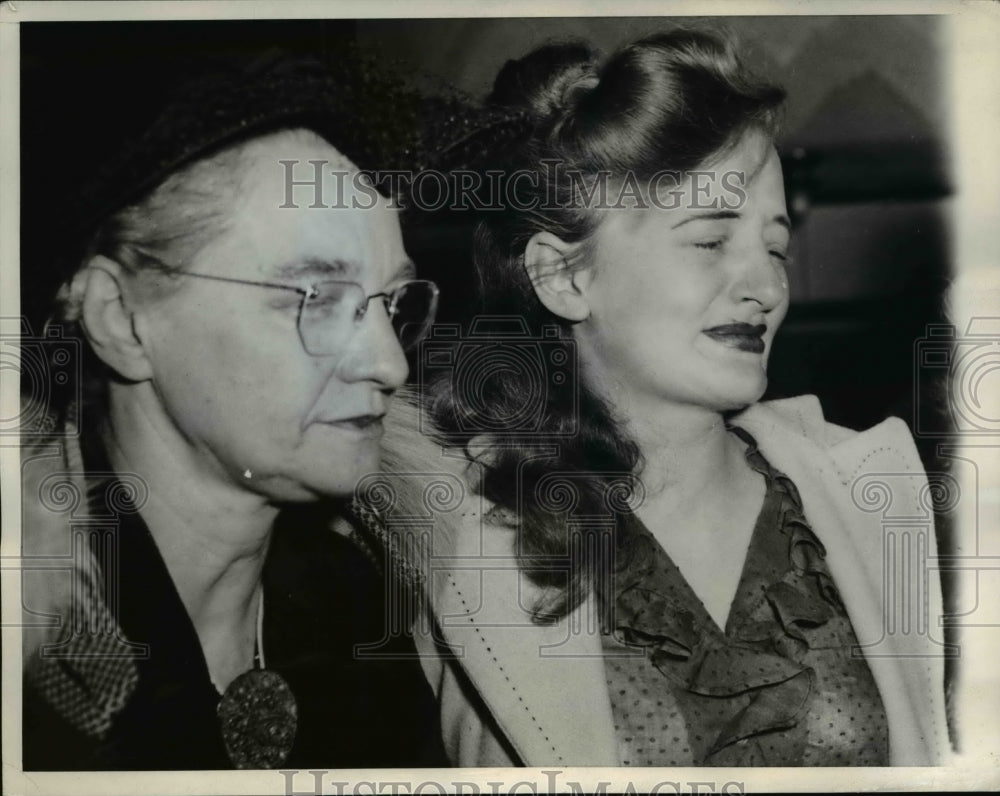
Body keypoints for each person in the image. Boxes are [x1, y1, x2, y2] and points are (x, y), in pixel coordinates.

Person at [399, 29, 951, 766]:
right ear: (563, 276)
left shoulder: (869, 489)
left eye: (776, 247)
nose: (767, 287)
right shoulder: (456, 516)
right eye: (710, 240)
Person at [20, 52, 447, 770]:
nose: (390, 364)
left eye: (392, 303)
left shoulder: (361, 608)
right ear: (120, 319)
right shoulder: (34, 686)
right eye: (315, 297)